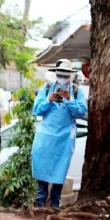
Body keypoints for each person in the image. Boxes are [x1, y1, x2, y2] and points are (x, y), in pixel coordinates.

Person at [31, 59, 87, 209]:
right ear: (56, 74)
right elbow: (37, 110)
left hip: (64, 138)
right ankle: (40, 202)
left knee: (60, 168)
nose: (62, 78)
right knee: (42, 166)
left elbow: (81, 112)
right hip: (46, 136)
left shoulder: (76, 91)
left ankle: (55, 203)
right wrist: (49, 100)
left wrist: (69, 100)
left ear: (70, 75)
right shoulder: (47, 88)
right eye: (60, 75)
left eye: (65, 75)